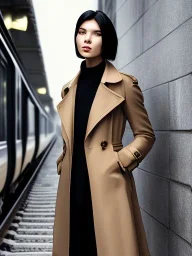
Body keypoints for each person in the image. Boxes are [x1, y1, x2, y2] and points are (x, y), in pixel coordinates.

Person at [53, 10, 155, 256]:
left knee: (108, 246)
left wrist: (122, 160)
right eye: (82, 32)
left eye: (96, 33)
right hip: (73, 182)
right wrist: (62, 160)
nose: (87, 39)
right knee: (74, 245)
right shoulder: (69, 88)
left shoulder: (124, 84)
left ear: (106, 40)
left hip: (107, 182)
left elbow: (146, 134)